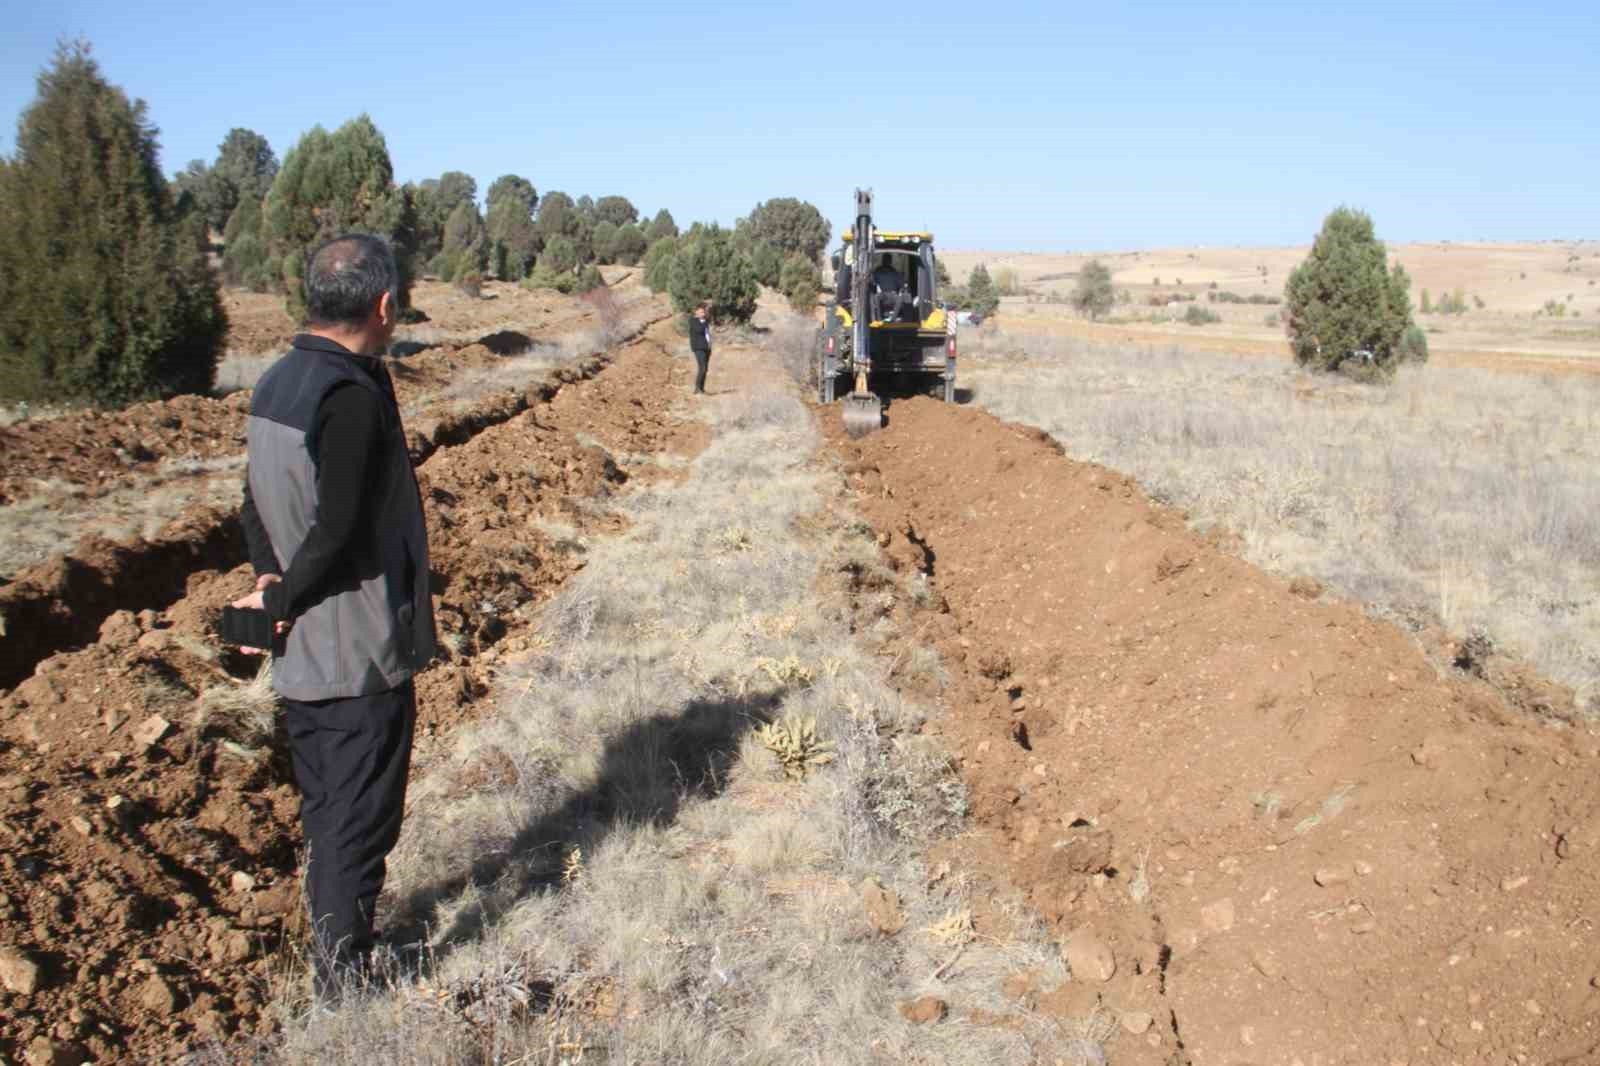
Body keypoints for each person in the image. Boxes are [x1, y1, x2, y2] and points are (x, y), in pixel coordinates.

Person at [232, 233, 436, 1002]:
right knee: (360, 822)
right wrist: (283, 596)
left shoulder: (278, 381)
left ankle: (333, 947)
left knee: (327, 811)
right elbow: (342, 527)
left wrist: (268, 583)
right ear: (384, 305)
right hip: (357, 653)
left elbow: (250, 498)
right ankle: (344, 987)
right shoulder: (350, 394)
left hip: (301, 655)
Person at [688, 302, 713, 394]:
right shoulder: (693, 320)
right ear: (696, 312)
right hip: (698, 347)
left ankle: (702, 388)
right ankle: (697, 388)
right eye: (701, 312)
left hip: (706, 347)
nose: (703, 314)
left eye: (704, 312)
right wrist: (703, 322)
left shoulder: (705, 321)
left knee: (705, 368)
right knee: (702, 367)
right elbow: (699, 330)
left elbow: (707, 334)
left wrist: (710, 345)